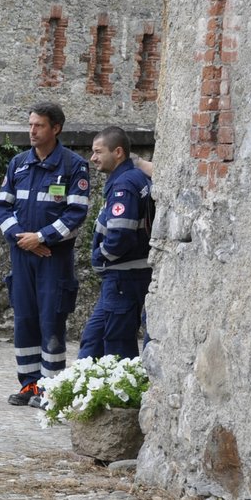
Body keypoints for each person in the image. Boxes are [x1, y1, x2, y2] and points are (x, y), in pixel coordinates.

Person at [0, 101, 91, 407]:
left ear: (56, 129)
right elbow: (2, 206)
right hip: (23, 256)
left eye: (39, 126)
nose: (32, 131)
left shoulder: (74, 166)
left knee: (51, 321)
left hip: (53, 260)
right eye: (30, 124)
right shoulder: (19, 163)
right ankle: (29, 385)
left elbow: (77, 213)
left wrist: (42, 237)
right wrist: (21, 237)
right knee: (24, 320)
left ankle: (51, 389)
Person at [79, 126, 154, 359]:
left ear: (118, 152)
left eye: (98, 152)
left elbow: (120, 235)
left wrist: (101, 256)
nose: (93, 158)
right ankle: (80, 391)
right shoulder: (129, 179)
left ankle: (116, 394)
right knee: (93, 339)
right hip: (121, 276)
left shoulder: (124, 185)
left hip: (123, 277)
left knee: (116, 346)